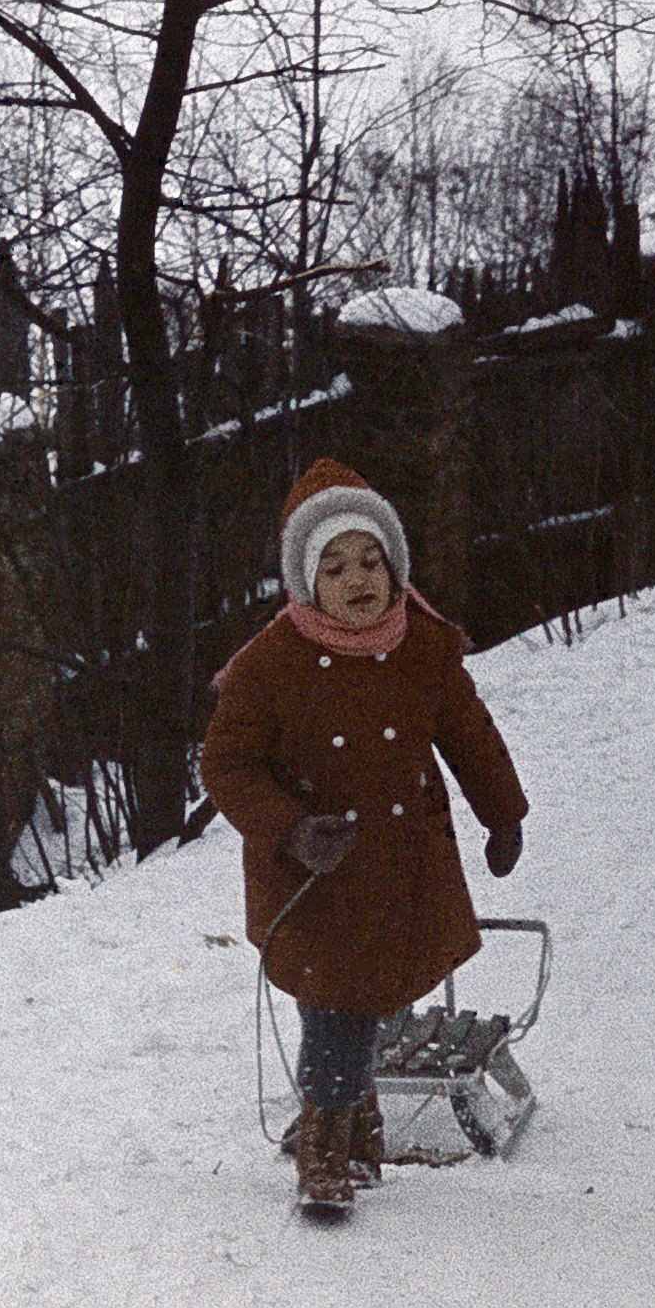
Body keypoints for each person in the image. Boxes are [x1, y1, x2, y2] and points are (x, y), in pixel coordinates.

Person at [200, 458, 528, 1220]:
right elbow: (226, 763)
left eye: (371, 560)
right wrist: (288, 827)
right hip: (314, 871)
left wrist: (503, 813)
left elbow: (470, 734)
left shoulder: (423, 646)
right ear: (306, 580)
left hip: (401, 861)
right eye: (335, 565)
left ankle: (359, 1120)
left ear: (395, 564)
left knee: (368, 996)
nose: (358, 579)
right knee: (334, 1002)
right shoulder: (268, 666)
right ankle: (326, 1143)